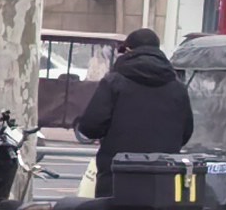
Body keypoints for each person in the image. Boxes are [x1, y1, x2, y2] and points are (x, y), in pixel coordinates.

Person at [72, 24, 194, 174]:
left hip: (118, 173)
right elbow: (186, 132)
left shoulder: (114, 82)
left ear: (129, 51)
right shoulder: (178, 88)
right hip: (163, 175)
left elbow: (91, 127)